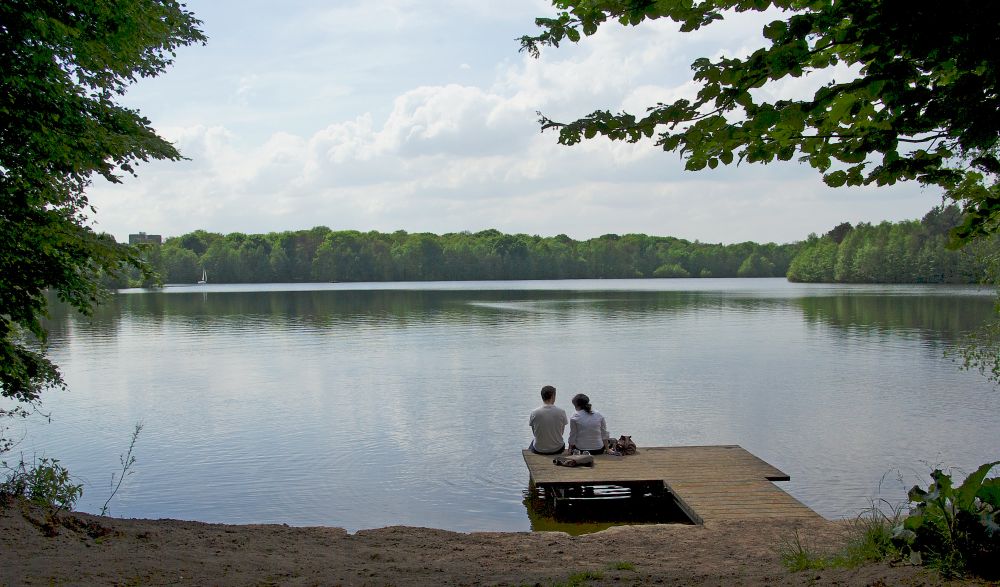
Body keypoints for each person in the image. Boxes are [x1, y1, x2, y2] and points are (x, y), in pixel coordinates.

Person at [528, 385, 568, 455]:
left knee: (532, 443)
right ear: (553, 396)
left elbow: (534, 433)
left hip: (539, 449)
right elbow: (561, 433)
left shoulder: (534, 412)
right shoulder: (561, 412)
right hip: (557, 449)